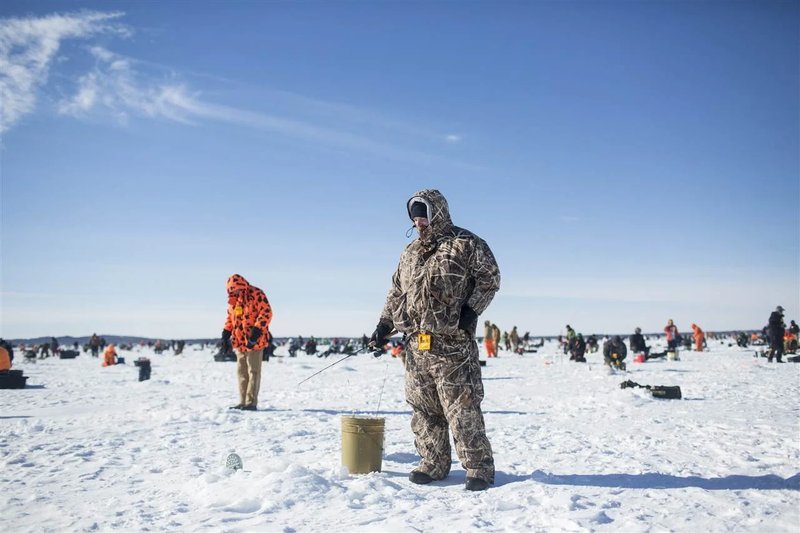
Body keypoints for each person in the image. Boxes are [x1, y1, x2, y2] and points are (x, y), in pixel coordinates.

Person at [369, 189, 500, 491]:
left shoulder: (465, 244)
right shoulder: (409, 253)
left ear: (437, 212)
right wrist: (383, 325)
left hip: (452, 344)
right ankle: (433, 462)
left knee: (462, 408)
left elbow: (490, 278)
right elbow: (395, 293)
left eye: (423, 213)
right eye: (414, 215)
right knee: (424, 409)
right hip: (416, 345)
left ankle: (479, 468)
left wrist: (471, 310)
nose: (418, 220)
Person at [221, 274, 273, 410]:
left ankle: (251, 402)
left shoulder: (256, 294)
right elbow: (230, 318)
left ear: (242, 286)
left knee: (253, 371)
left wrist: (256, 332)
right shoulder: (233, 301)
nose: (234, 292)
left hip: (255, 341)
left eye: (236, 289)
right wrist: (226, 333)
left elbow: (266, 313)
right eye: (232, 290)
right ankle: (242, 401)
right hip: (239, 342)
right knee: (241, 373)